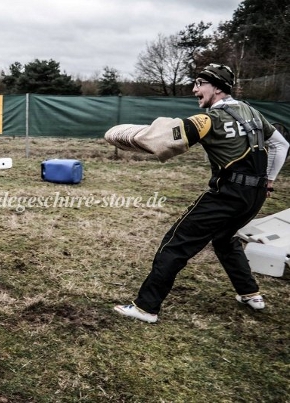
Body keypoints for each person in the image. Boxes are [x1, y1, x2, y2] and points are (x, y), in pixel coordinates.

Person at [105, 64, 289, 323]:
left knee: (176, 244)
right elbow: (281, 145)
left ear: (216, 87)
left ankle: (145, 307)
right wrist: (269, 179)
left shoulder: (208, 120)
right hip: (255, 195)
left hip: (227, 194)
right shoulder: (252, 113)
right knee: (225, 239)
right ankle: (250, 293)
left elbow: (161, 141)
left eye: (199, 83)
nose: (194, 89)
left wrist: (121, 136)